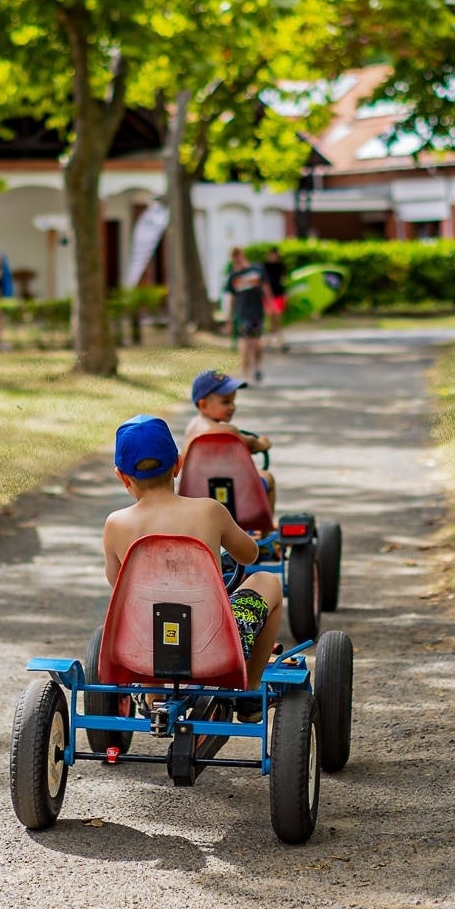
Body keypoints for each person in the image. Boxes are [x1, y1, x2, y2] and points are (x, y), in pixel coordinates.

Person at [103, 415, 282, 693]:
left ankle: (152, 695)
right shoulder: (210, 510)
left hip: (144, 648)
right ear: (178, 465)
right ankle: (251, 688)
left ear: (122, 477)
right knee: (268, 581)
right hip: (215, 646)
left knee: (144, 609)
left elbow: (118, 585)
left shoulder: (115, 523)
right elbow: (249, 554)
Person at [183, 368, 272, 496]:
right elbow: (253, 444)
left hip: (195, 494)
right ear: (204, 406)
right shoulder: (229, 432)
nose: (233, 407)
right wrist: (264, 443)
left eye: (233, 400)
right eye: (226, 402)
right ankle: (264, 510)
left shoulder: (192, 427)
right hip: (234, 494)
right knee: (267, 477)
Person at [224, 247, 268, 383]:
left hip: (257, 313)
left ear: (243, 256)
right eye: (234, 259)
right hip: (242, 314)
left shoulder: (256, 272)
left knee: (257, 344)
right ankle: (246, 375)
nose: (236, 261)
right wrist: (229, 319)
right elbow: (231, 298)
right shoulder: (233, 277)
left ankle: (257, 366)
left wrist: (270, 306)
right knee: (243, 344)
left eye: (238, 258)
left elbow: (266, 289)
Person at [262, 247, 289, 351]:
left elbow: (284, 280)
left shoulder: (281, 266)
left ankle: (278, 341)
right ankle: (269, 340)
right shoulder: (265, 266)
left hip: (278, 294)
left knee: (276, 318)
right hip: (268, 296)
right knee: (269, 318)